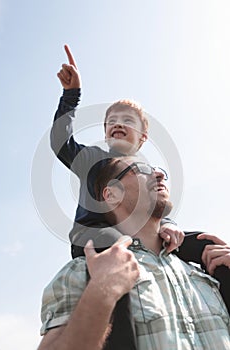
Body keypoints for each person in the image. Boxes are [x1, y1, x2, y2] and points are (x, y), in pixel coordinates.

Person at [38, 157, 230, 350]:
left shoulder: (206, 269)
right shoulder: (86, 271)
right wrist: (100, 292)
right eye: (141, 169)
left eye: (158, 169)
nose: (160, 174)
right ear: (112, 194)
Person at [51, 44, 184, 258]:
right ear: (106, 134)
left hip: (142, 232)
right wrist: (71, 95)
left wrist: (168, 224)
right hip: (96, 235)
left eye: (127, 120)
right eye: (111, 121)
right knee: (120, 247)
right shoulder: (92, 158)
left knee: (202, 243)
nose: (118, 124)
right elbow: (60, 142)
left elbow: (158, 205)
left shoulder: (148, 171)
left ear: (143, 137)